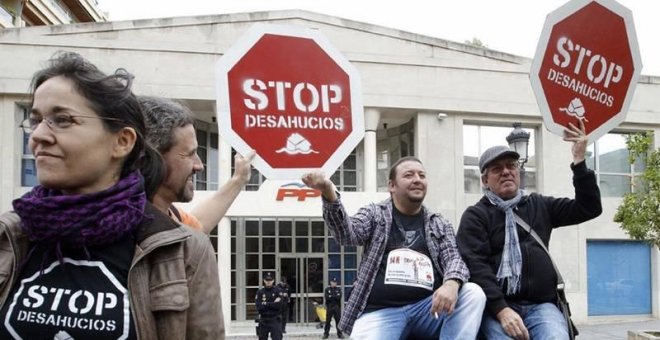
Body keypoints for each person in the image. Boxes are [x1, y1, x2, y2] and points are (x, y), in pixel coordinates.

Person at [0, 52, 223, 339]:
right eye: (36, 120)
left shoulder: (183, 251)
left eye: (63, 119)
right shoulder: (9, 235)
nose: (38, 135)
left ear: (122, 142)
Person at [302, 156, 486, 339]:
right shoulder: (375, 214)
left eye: (422, 175)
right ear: (392, 186)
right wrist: (328, 192)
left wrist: (451, 283)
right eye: (409, 175)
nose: (417, 179)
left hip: (428, 310)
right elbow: (346, 235)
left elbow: (454, 258)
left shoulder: (438, 223)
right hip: (381, 313)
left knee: (473, 293)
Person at [456, 120, 602, 340]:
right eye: (497, 169)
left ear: (519, 172)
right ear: (485, 180)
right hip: (496, 308)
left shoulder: (539, 204)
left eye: (511, 166)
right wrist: (502, 309)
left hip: (542, 306)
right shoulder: (476, 215)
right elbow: (476, 267)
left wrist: (579, 161)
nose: (506, 172)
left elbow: (588, 208)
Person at [139, 95, 255, 233]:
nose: (199, 166)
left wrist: (239, 179)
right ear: (151, 158)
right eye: (189, 154)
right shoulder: (126, 233)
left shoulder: (172, 217)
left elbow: (198, 225)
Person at [255, 272, 283, 340]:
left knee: (277, 338)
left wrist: (265, 304)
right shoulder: (260, 292)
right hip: (263, 320)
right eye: (267, 280)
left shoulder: (278, 291)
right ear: (264, 281)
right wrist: (272, 303)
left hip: (275, 319)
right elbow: (259, 307)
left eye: (270, 280)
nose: (268, 282)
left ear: (273, 281)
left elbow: (278, 306)